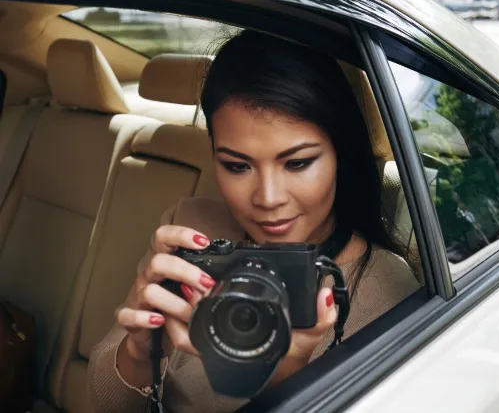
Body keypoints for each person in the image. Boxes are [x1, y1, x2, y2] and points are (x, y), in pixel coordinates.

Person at [88, 30, 420, 413]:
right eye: (237, 165)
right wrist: (139, 351)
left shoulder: (389, 296)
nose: (267, 198)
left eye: (297, 163)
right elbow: (101, 403)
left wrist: (286, 385)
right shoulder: (191, 228)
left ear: (339, 155)